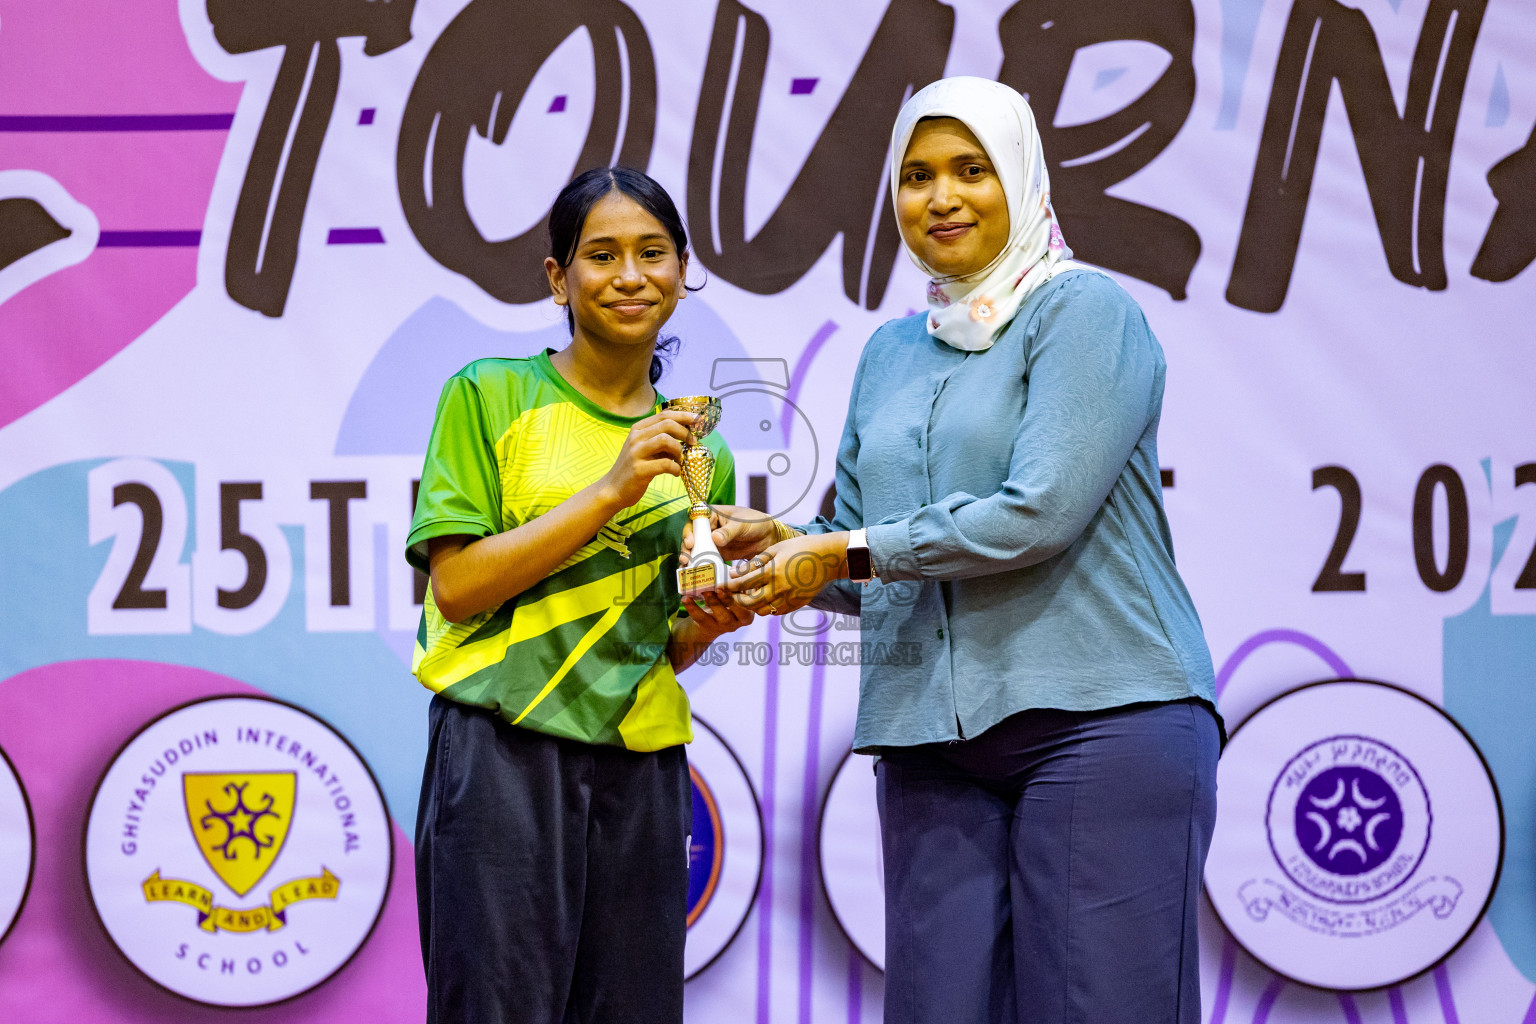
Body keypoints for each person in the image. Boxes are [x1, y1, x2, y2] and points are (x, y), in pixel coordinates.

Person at [707, 78, 1222, 1023]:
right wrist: (787, 551)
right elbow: (873, 565)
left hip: (1101, 723)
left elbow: (1037, 515)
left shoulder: (1084, 313)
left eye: (970, 170)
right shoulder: (891, 352)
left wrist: (843, 552)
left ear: (1021, 178)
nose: (940, 198)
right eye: (915, 176)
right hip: (930, 746)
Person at [406, 165, 752, 1024]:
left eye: (652, 253)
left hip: (641, 764)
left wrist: (709, 624)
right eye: (602, 255)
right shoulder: (490, 395)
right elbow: (454, 587)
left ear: (682, 271)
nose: (630, 276)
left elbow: (661, 643)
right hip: (499, 752)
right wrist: (609, 489)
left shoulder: (704, 455)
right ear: (559, 278)